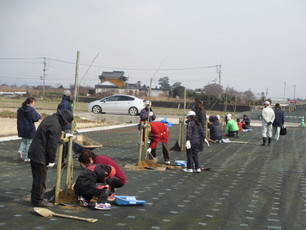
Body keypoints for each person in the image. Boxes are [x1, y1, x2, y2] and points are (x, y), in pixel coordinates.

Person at [28, 109, 74, 207]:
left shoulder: (50, 118)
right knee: (41, 179)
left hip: (34, 151)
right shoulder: (55, 126)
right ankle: (39, 201)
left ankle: (34, 198)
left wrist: (64, 134)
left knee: (36, 178)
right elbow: (52, 146)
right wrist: (51, 161)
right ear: (64, 120)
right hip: (41, 155)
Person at [17, 97, 41, 162]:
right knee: (29, 143)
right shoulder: (32, 110)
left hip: (21, 128)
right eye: (34, 102)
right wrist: (39, 115)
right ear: (31, 102)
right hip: (30, 128)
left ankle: (20, 151)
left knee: (24, 141)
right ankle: (27, 157)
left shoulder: (20, 109)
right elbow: (35, 118)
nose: (34, 104)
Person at [57, 89, 73, 162]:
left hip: (66, 125)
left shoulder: (65, 102)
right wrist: (65, 122)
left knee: (65, 144)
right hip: (65, 126)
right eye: (70, 95)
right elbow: (62, 114)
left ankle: (63, 159)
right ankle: (62, 160)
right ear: (68, 95)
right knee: (65, 144)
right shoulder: (65, 103)